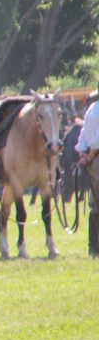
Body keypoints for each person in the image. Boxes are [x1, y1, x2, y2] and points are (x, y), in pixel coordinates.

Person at [75, 86, 99, 256]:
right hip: (94, 158)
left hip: (93, 159)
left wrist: (85, 155)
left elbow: (85, 136)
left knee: (95, 204)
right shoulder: (93, 109)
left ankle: (93, 248)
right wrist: (87, 155)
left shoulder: (92, 109)